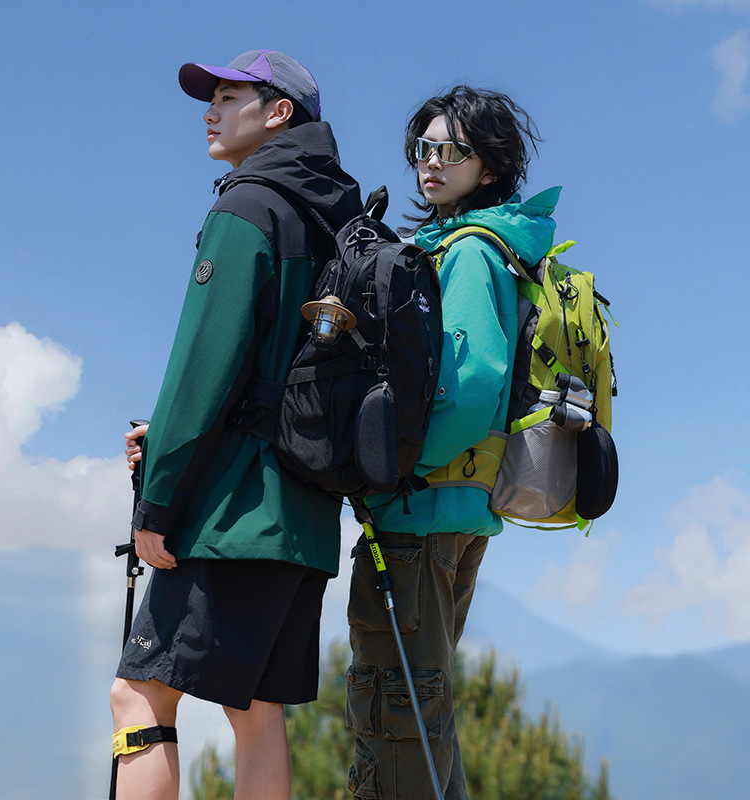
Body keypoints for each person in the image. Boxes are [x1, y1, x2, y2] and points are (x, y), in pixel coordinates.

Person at [110, 49, 361, 800]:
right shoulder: (338, 219)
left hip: (232, 513)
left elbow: (204, 366)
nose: (209, 112)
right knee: (255, 710)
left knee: (139, 696)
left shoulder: (247, 207)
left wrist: (158, 502)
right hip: (305, 516)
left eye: (227, 97)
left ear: (279, 113)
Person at [345, 86, 560, 799]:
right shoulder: (500, 247)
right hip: (459, 510)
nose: (431, 163)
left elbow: (470, 388)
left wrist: (392, 472)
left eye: (453, 151)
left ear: (488, 167)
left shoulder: (468, 253)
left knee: (397, 710)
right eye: (424, 148)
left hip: (422, 512)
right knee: (421, 707)